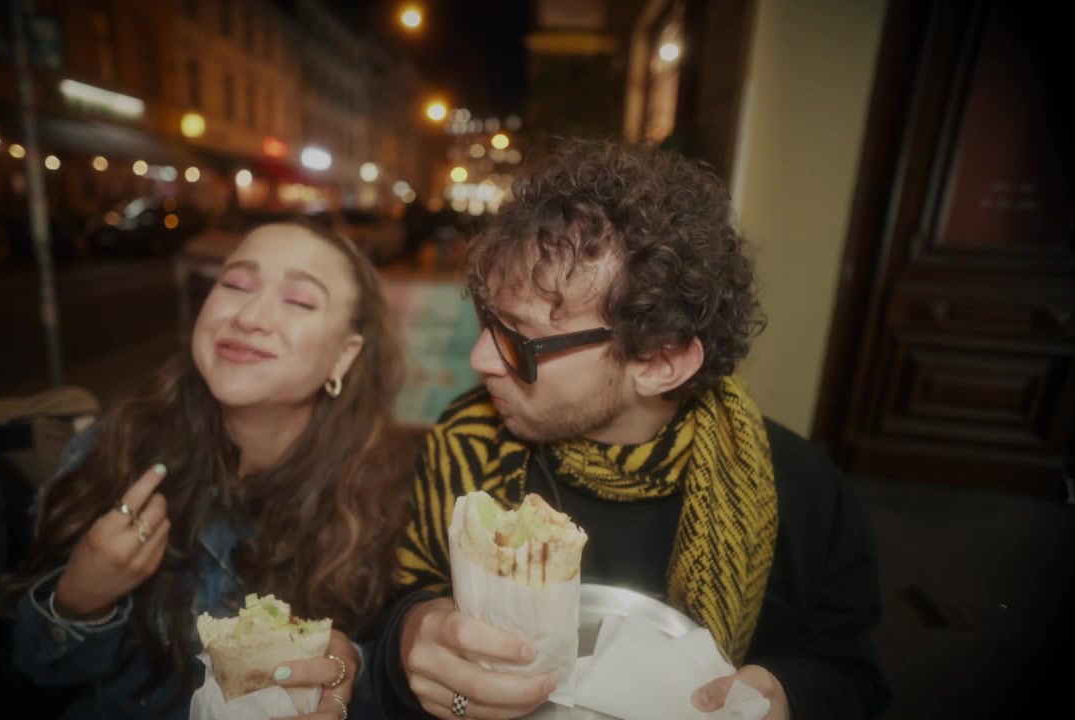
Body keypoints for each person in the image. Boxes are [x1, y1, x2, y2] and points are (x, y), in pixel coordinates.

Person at [367, 139, 890, 720]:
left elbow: (853, 675)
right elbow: (391, 613)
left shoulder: (801, 489)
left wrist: (790, 696)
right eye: (489, 318)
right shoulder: (460, 448)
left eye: (520, 339)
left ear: (659, 362)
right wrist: (410, 639)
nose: (480, 358)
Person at [4, 221, 412, 719]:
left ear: (345, 355)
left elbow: (399, 674)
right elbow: (25, 669)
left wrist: (352, 669)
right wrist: (77, 602)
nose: (250, 316)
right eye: (235, 284)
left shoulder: (386, 494)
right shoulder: (119, 445)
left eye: (299, 301)